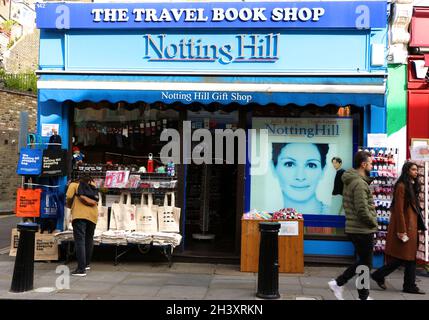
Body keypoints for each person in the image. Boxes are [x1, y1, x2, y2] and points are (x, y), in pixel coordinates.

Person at [328, 150, 377, 300]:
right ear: (363, 164)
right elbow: (362, 209)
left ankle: (359, 294)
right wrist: (373, 222)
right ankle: (339, 283)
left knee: (364, 263)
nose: (372, 165)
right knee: (365, 264)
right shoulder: (359, 184)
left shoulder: (352, 180)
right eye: (370, 163)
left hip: (355, 227)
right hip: (361, 228)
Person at [371, 162, 426, 294]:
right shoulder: (401, 186)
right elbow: (399, 210)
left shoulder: (411, 186)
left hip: (412, 226)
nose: (416, 172)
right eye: (413, 169)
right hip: (406, 227)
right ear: (407, 171)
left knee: (407, 257)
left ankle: (383, 276)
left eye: (417, 170)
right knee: (408, 257)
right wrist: (401, 230)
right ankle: (408, 285)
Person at [272, 142, 330, 214]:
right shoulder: (267, 216)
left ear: (323, 170)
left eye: (311, 165)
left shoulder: (334, 213)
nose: (300, 177)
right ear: (273, 168)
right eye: (289, 164)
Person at [66, 175, 98, 277]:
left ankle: (81, 269)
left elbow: (69, 197)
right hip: (93, 215)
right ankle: (86, 264)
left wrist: (70, 205)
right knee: (89, 240)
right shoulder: (92, 184)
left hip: (80, 215)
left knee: (80, 241)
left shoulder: (74, 185)